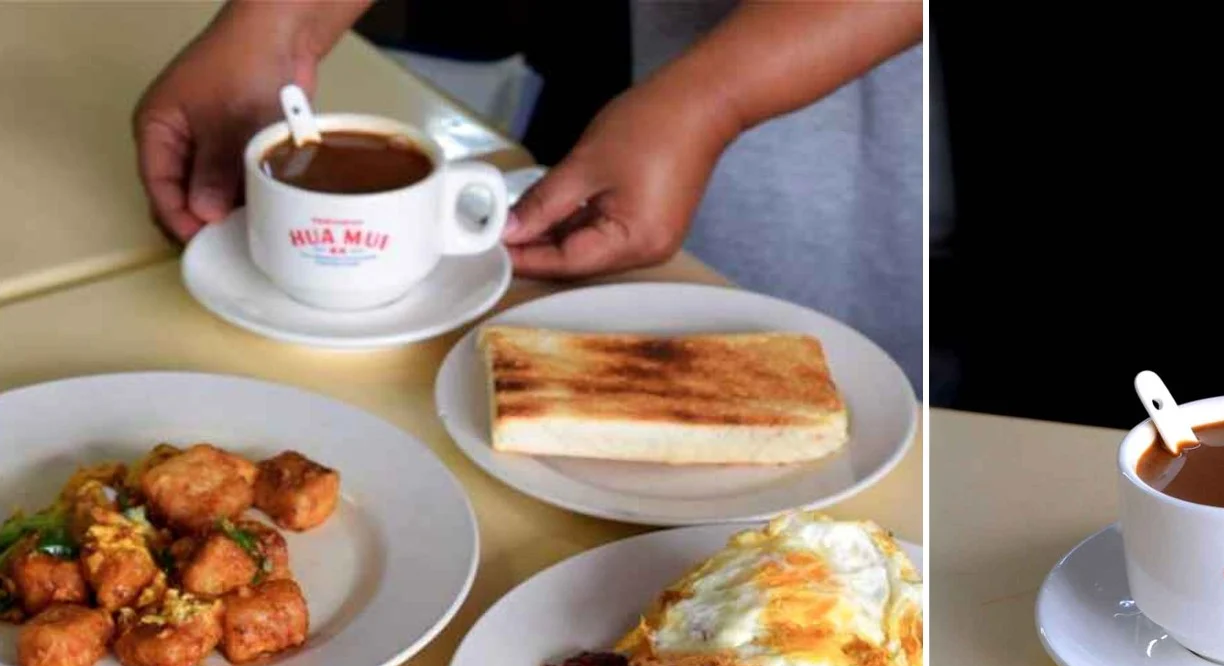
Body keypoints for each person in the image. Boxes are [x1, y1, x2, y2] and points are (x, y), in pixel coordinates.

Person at [133, 0, 923, 383]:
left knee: (784, 360)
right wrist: (284, 21)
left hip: (829, 90)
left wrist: (716, 103)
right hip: (648, 59)